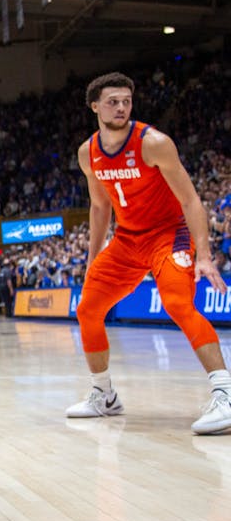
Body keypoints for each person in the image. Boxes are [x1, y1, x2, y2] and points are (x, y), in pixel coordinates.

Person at [67, 72, 231, 433]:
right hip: (127, 240)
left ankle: (226, 394)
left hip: (169, 235)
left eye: (126, 100)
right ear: (95, 106)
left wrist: (203, 254)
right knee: (88, 309)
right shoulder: (88, 152)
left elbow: (191, 200)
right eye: (113, 101)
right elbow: (99, 208)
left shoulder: (154, 142)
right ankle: (104, 395)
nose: (122, 107)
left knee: (176, 303)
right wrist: (94, 257)